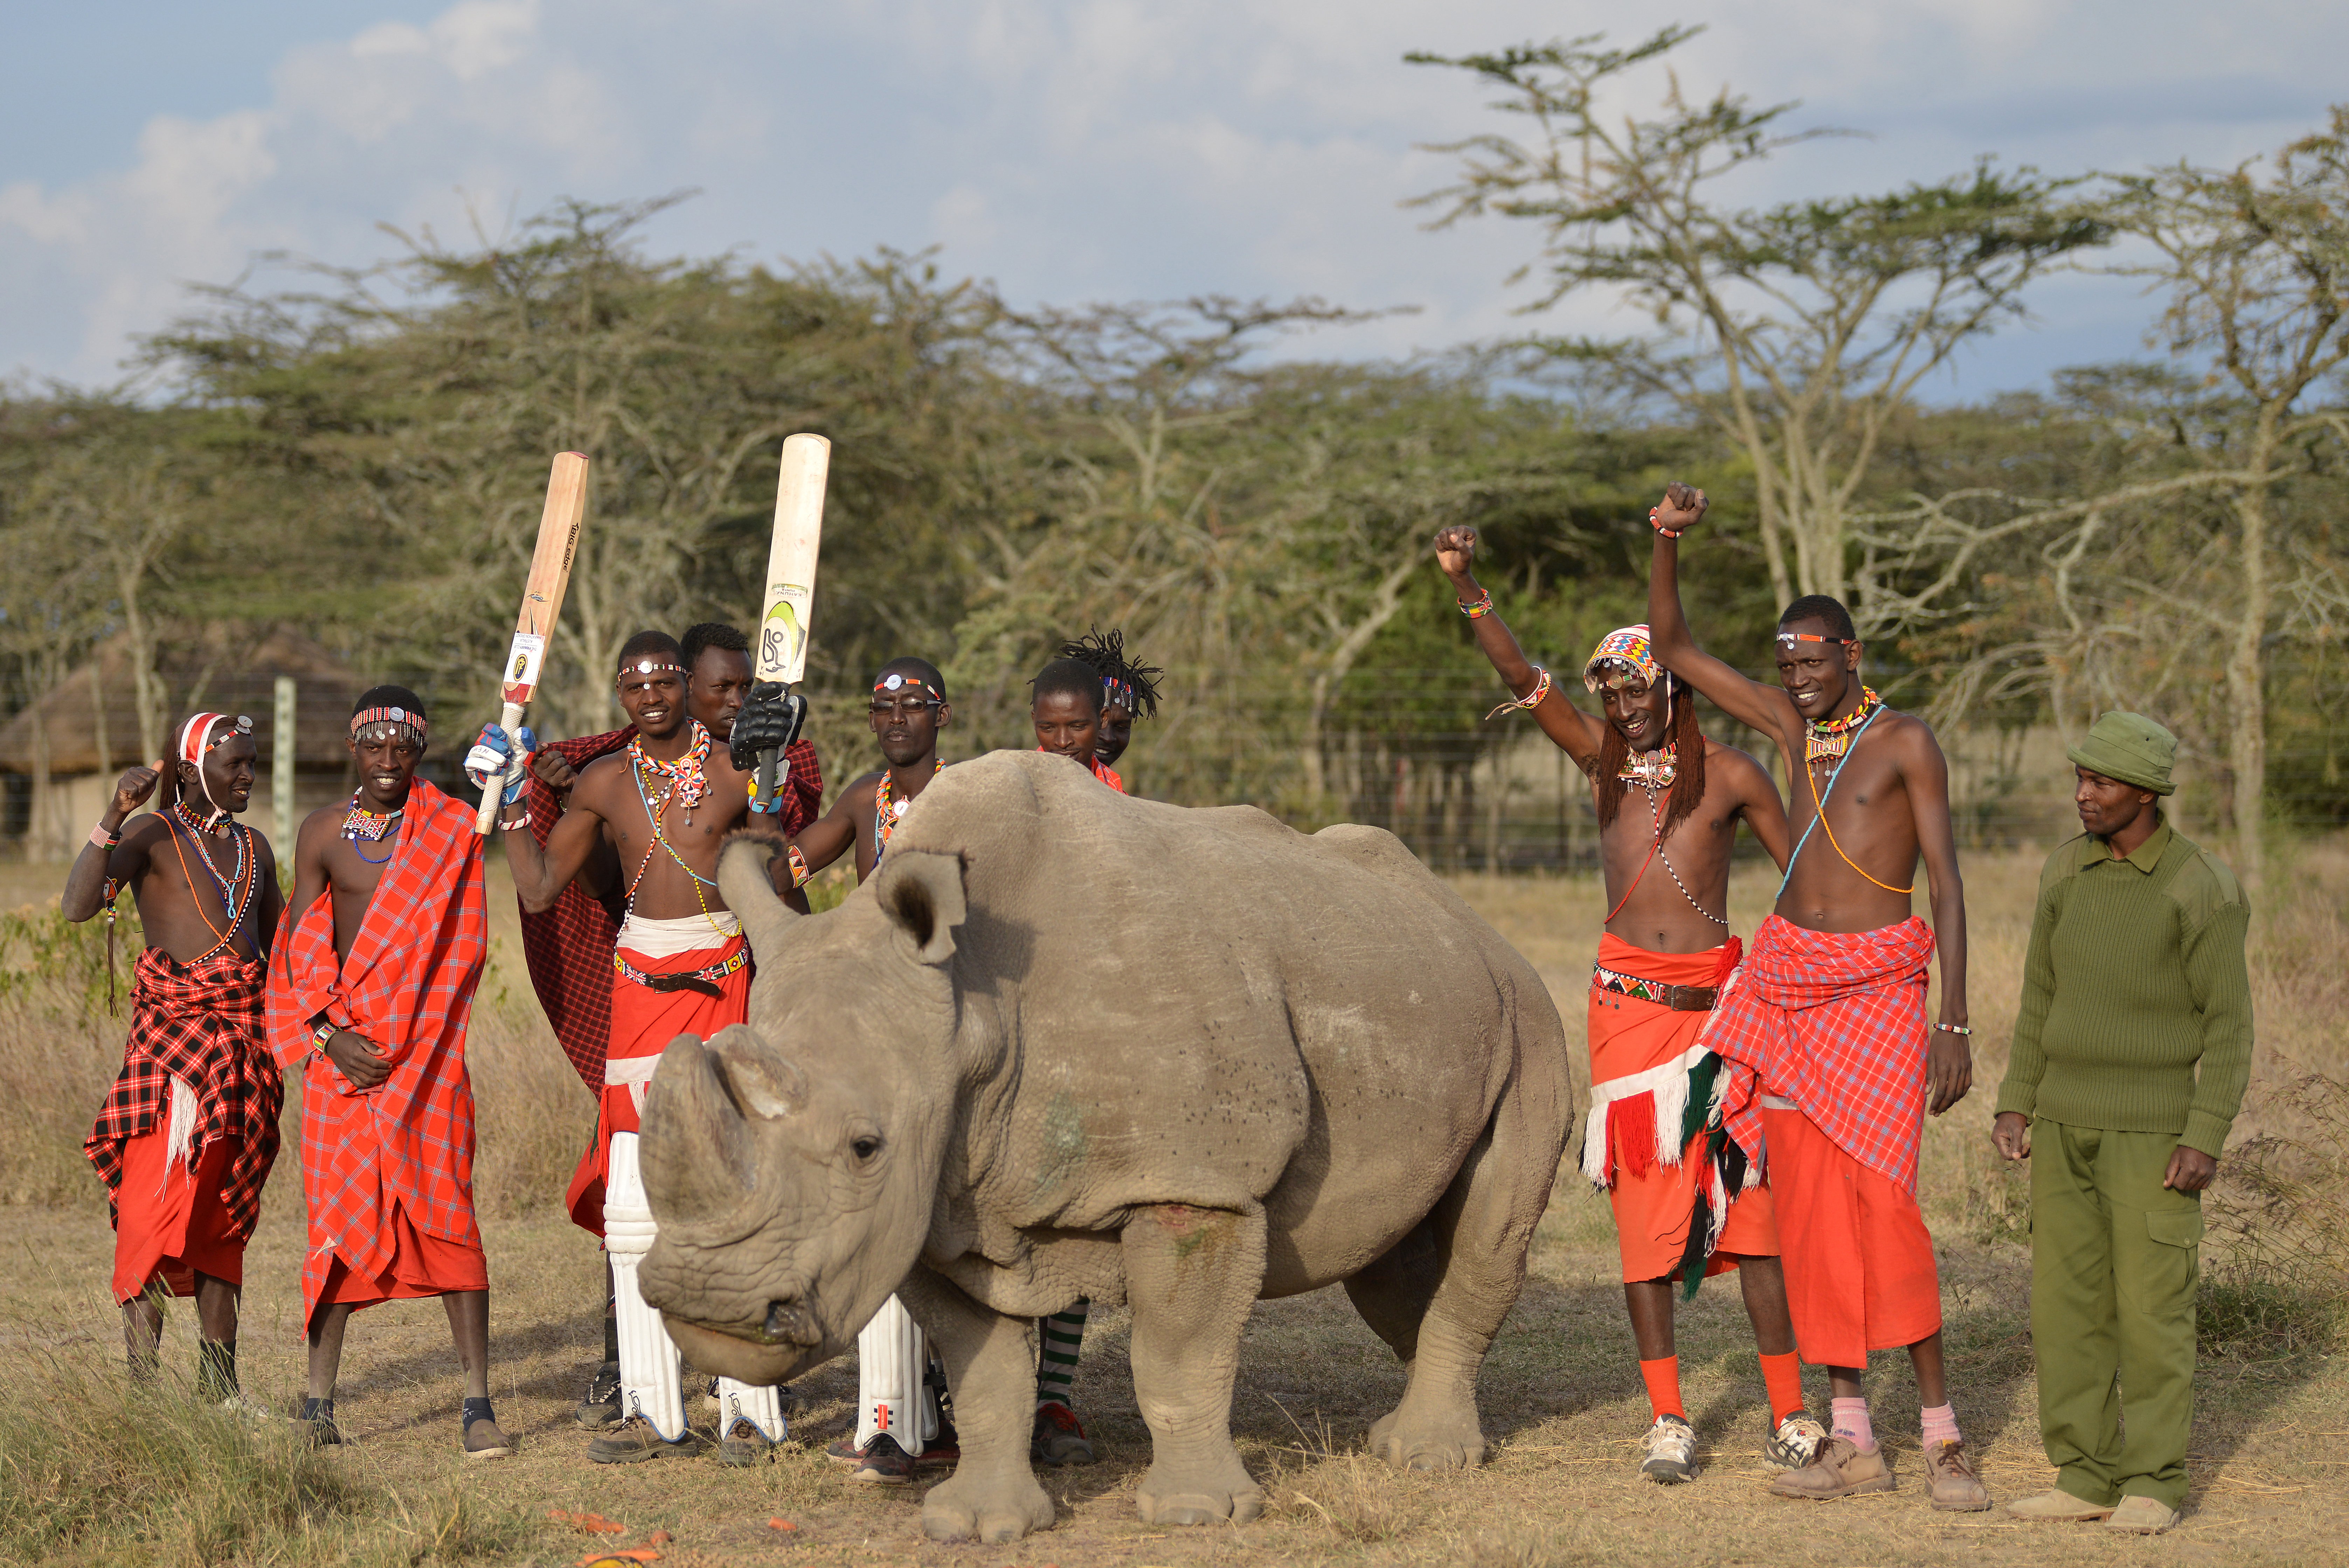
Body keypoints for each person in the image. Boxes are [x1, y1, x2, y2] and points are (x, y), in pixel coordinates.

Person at [1436, 527, 1816, 1482]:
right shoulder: (1599, 756)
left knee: (1751, 1217)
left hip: (1721, 1018)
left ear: (1673, 688)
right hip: (1629, 1018)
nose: (1623, 704)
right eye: (1611, 691)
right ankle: (1668, 1418)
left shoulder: (1730, 772)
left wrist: (1793, 980)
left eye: (1638, 688)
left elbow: (1808, 881)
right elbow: (1524, 676)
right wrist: (1468, 584)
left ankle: (1790, 1411)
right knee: (1647, 1222)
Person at [1645, 482, 1989, 1511]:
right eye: (1784, 661)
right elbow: (1669, 642)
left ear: (1852, 656)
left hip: (1880, 993)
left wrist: (1955, 1020)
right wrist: (1664, 538)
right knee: (1810, 1219)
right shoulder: (1786, 727)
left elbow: (1947, 880)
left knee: (1885, 1210)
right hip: (1789, 989)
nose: (1795, 675)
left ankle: (1939, 1436)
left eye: (1812, 659)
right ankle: (1853, 1438)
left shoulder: (1904, 741)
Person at [510, 621, 824, 1434]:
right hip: (639, 988)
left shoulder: (731, 770)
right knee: (634, 1198)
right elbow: (543, 887)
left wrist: (767, 779)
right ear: (621, 695)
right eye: (634, 685)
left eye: (663, 682)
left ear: (685, 684)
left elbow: (777, 869)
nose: (650, 696)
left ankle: (748, 1400)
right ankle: (651, 1405)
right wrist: (509, 801)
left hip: (723, 980)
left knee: (736, 1182)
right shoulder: (606, 781)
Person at [1993, 713, 2251, 1536]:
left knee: (2151, 1309)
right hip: (2064, 1125)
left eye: (2099, 782)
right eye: (2078, 777)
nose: (2082, 794)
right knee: (2066, 1306)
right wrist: (2016, 1096)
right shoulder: (2064, 871)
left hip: (2154, 1135)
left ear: (2145, 791)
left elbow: (2229, 1027)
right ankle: (2083, 1471)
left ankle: (2153, 1478)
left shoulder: (2197, 886)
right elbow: (2040, 995)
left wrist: (2203, 1132)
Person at [267, 689, 510, 1459]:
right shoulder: (321, 833)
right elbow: (296, 948)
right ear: (353, 747)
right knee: (335, 1225)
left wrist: (504, 774)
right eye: (374, 748)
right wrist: (326, 1035)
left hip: (428, 1059)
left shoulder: (453, 827)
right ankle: (318, 1403)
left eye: (402, 750)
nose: (387, 763)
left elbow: (465, 942)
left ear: (421, 752)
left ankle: (478, 1403)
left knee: (450, 1216)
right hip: (342, 1063)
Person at [64, 713, 284, 1415]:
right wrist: (113, 813)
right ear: (192, 772)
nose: (249, 774)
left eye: (253, 762)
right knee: (152, 1221)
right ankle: (144, 1400)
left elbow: (280, 952)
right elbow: (77, 906)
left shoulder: (256, 848)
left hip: (244, 1054)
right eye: (236, 764)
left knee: (222, 1220)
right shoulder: (151, 835)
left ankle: (220, 1390)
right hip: (172, 1058)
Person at [782, 657, 963, 1484]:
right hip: (872, 1025)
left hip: (952, 1020)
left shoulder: (970, 799)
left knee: (950, 1222)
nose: (895, 717)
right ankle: (889, 1420)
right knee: (880, 1209)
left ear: (943, 714)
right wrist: (761, 786)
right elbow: (785, 867)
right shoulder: (864, 798)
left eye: (912, 704)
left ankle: (947, 1412)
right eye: (881, 704)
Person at [1033, 631, 1163, 1463]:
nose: (1097, 733)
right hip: (1026, 1032)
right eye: (1087, 717)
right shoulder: (1019, 790)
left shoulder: (1122, 801)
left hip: (1096, 1038)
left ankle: (1052, 1395)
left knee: (1079, 1222)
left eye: (1113, 720)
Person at [1059, 627, 1163, 777]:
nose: (1108, 737)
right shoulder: (1033, 780)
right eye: (1099, 721)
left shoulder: (1114, 789)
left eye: (1121, 727)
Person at [1031, 656, 1123, 792]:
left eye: (1078, 727)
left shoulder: (1114, 790)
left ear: (1103, 719)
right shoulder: (1019, 786)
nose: (1063, 742)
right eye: (1047, 728)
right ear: (1034, 721)